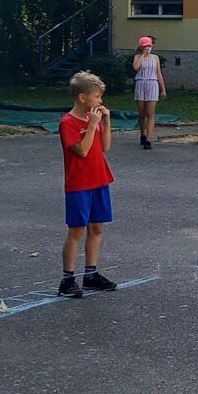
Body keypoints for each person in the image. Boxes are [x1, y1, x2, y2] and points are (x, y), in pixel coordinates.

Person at [59, 70, 118, 298]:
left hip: (99, 180)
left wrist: (106, 122)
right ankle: (67, 280)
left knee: (96, 228)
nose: (100, 101)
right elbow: (82, 151)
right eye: (97, 97)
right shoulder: (68, 122)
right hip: (79, 184)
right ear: (82, 98)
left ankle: (91, 274)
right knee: (76, 230)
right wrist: (92, 125)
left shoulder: (93, 119)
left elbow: (105, 147)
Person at [133, 36, 167, 150]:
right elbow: (136, 67)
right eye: (146, 46)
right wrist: (143, 55)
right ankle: (142, 134)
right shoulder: (137, 57)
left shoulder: (155, 58)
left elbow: (158, 73)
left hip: (152, 84)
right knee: (142, 114)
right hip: (140, 84)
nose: (148, 48)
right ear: (141, 47)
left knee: (150, 114)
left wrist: (163, 89)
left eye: (150, 46)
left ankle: (148, 139)